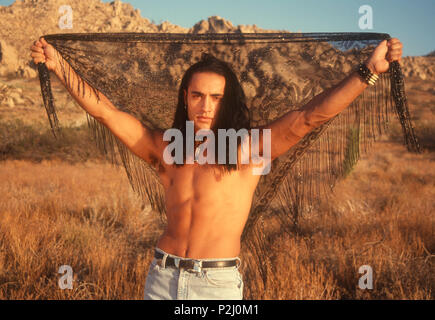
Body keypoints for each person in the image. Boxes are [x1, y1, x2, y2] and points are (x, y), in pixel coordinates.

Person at [30, 37, 403, 300]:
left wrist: (368, 72)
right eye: (197, 95)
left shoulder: (247, 150)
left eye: (216, 98)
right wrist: (58, 66)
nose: (205, 106)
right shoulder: (163, 148)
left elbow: (307, 118)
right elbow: (105, 112)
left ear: (227, 103)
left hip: (216, 285)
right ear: (186, 98)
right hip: (161, 278)